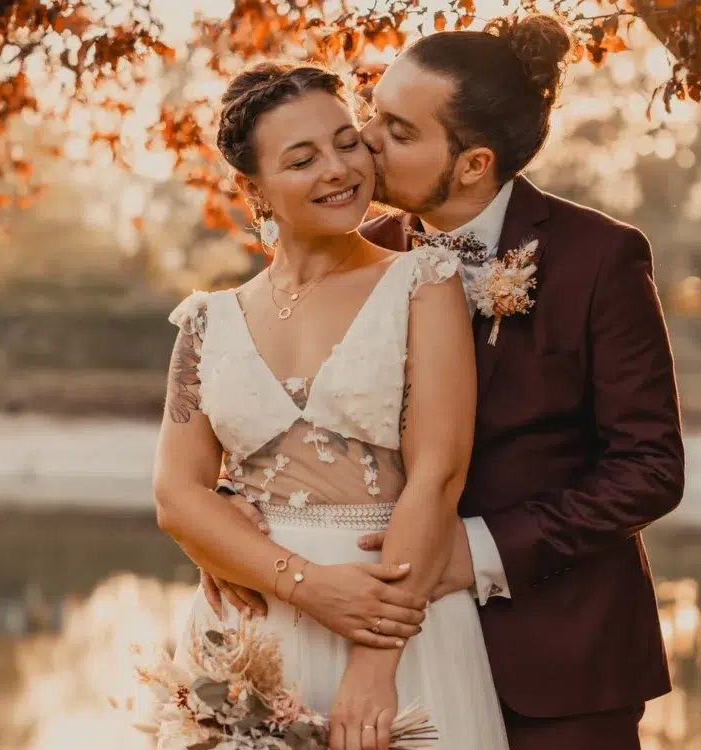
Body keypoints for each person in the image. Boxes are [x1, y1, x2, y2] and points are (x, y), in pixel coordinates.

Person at [203, 12, 686, 750]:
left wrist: (477, 550)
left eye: (396, 131)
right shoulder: (358, 252)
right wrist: (239, 526)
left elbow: (650, 469)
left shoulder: (599, 259)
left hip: (561, 662)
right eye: (372, 113)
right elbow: (302, 413)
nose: (363, 143)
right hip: (389, 646)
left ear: (472, 163)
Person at [153, 60, 511, 750]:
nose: (338, 169)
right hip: (250, 633)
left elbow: (438, 475)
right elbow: (177, 495)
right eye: (301, 159)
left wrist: (376, 669)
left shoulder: (422, 281)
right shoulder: (207, 319)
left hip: (395, 618)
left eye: (347, 143)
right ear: (252, 187)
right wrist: (307, 586)